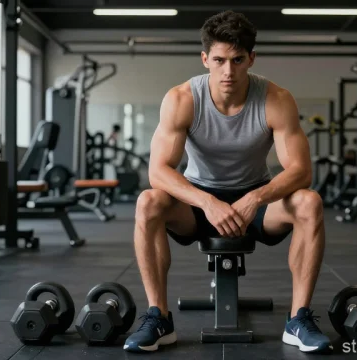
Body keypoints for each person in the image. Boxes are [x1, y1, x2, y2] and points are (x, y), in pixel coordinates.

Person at [124, 10, 331, 354]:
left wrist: (254, 199)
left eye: (237, 60)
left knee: (310, 202)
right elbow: (158, 171)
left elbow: (300, 171)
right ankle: (158, 317)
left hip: (258, 203)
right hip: (197, 205)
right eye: (219, 60)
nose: (228, 71)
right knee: (148, 201)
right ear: (205, 58)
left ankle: (299, 319)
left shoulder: (276, 99)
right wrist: (207, 201)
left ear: (251, 58)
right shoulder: (182, 99)